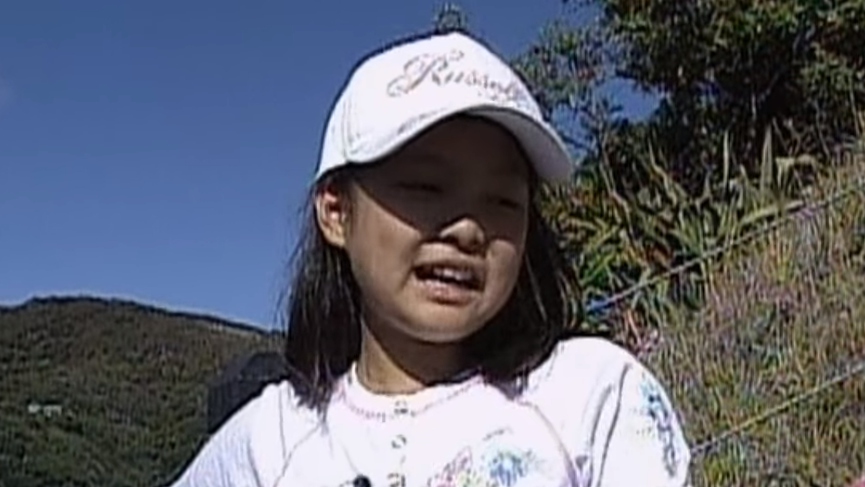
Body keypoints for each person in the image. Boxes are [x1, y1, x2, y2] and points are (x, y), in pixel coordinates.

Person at [168, 29, 692, 487]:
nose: (467, 229)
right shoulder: (270, 439)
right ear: (336, 211)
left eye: (503, 201)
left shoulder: (594, 394)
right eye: (425, 187)